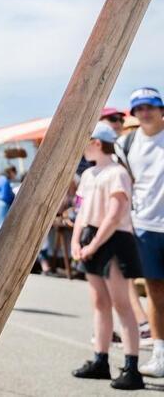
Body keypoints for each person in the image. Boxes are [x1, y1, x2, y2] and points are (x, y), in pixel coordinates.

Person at [70, 122, 144, 389]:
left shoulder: (117, 174)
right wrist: (77, 241)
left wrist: (92, 245)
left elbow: (115, 215)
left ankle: (132, 366)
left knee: (122, 304)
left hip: (113, 239)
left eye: (86, 142)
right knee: (99, 302)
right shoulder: (89, 175)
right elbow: (80, 211)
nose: (83, 148)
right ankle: (100, 360)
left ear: (98, 143)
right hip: (92, 235)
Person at [117, 87, 164, 377]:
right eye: (139, 108)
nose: (145, 112)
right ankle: (160, 354)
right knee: (154, 291)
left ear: (161, 109)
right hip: (145, 226)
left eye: (151, 106)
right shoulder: (127, 143)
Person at [0, 165, 17, 232]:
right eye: (15, 174)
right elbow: (6, 195)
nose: (15, 176)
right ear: (11, 172)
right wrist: (14, 198)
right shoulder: (4, 180)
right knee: (2, 229)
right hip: (3, 205)